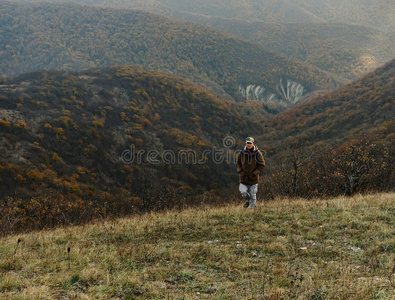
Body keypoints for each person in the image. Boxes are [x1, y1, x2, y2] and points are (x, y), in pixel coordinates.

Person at [237, 137, 265, 209]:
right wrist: (240, 171)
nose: (249, 144)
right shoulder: (241, 153)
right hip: (244, 177)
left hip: (253, 177)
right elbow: (238, 163)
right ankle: (248, 201)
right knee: (243, 192)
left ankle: (252, 210)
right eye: (247, 143)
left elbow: (262, 165)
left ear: (253, 143)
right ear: (245, 143)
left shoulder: (257, 153)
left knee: (253, 194)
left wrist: (255, 173)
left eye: (250, 143)